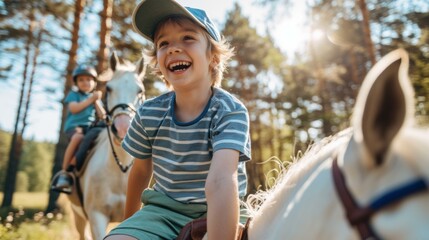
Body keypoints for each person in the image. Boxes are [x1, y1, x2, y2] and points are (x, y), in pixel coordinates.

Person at [105, 0, 251, 239]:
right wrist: (130, 225)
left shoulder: (230, 110)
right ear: (158, 62)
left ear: (213, 57)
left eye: (188, 38)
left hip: (219, 207)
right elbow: (140, 171)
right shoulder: (148, 112)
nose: (173, 48)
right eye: (164, 43)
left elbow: (222, 179)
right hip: (162, 211)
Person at [51, 65, 103, 194]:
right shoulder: (74, 94)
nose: (85, 82)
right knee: (78, 137)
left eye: (88, 79)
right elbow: (74, 109)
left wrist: (96, 102)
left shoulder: (93, 98)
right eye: (81, 80)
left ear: (94, 83)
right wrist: (91, 99)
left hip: (88, 127)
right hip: (74, 127)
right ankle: (65, 172)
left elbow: (102, 115)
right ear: (76, 83)